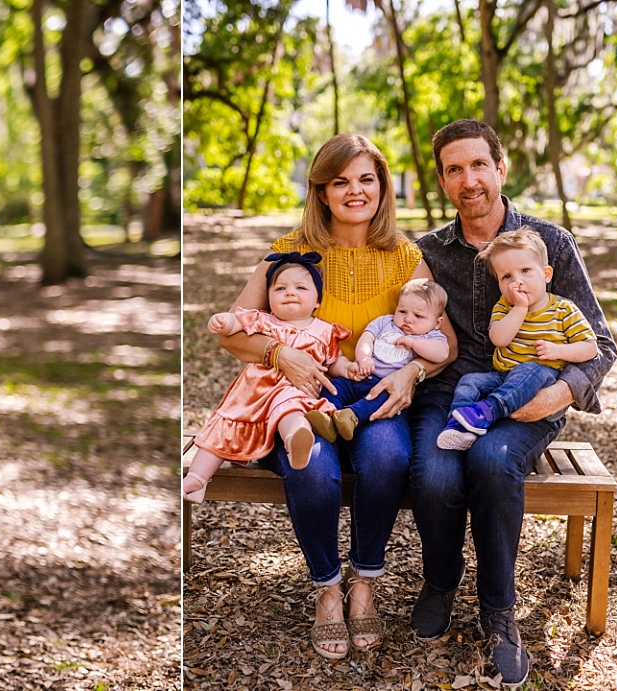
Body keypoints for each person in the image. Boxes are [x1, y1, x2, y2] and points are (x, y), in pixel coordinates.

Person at [213, 133, 454, 659]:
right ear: (321, 190)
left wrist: (410, 371)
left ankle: (364, 582)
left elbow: (447, 340)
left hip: (373, 393)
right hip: (299, 393)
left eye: (366, 179)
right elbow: (232, 331)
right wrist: (281, 354)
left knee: (390, 455)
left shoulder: (404, 255)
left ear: (382, 187)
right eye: (340, 181)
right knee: (313, 468)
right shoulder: (288, 251)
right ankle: (326, 587)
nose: (354, 191)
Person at [407, 119, 614, 687]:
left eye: (479, 165)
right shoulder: (429, 252)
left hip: (529, 388)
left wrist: (560, 391)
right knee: (433, 475)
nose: (468, 179)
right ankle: (442, 580)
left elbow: (602, 343)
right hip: (452, 391)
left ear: (500, 168)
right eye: (454, 169)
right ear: (444, 181)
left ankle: (499, 612)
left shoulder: (550, 244)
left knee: (494, 463)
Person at [184, 252, 352, 501]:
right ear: (269, 297)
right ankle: (196, 480)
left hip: (294, 391)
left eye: (301, 287)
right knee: (221, 428)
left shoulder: (325, 331)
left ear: (318, 300)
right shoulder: (265, 321)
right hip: (253, 394)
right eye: (280, 288)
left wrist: (349, 369)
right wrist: (223, 321)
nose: (289, 292)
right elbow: (237, 323)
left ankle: (296, 441)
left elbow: (334, 361)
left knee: (291, 410)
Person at [434, 228, 597, 451]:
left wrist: (559, 351)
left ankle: (488, 410)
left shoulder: (563, 310)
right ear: (499, 284)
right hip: (502, 376)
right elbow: (499, 339)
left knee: (529, 369)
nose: (516, 282)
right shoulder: (504, 306)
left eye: (525, 270)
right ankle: (460, 424)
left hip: (541, 377)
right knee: (469, 381)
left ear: (546, 274)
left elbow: (590, 348)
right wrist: (519, 308)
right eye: (507, 276)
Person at [306, 278, 450, 441]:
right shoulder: (385, 322)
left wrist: (414, 342)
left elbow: (442, 354)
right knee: (335, 386)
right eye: (402, 311)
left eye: (418, 315)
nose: (408, 319)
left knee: (381, 400)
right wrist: (364, 358)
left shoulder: (431, 336)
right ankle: (327, 415)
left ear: (437, 322)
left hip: (386, 385)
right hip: (360, 376)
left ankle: (352, 416)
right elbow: (367, 338)